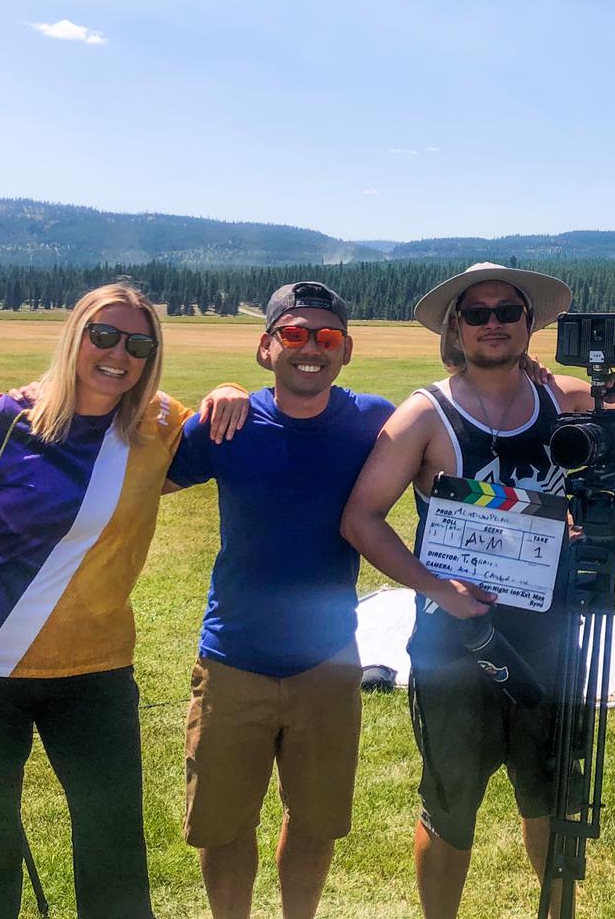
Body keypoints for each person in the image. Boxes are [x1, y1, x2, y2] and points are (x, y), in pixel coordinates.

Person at [0, 282, 237, 919]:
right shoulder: (4, 420)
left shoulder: (159, 423)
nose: (118, 355)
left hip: (96, 671)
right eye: (103, 336)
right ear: (75, 337)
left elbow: (223, 439)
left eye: (138, 344)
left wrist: (230, 393)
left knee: (113, 850)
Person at [340, 262, 615, 919]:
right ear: (456, 326)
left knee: (553, 803)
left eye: (509, 311)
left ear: (531, 324)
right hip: (456, 646)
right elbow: (361, 518)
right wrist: (436, 588)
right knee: (450, 810)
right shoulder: (426, 415)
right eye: (477, 313)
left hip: (551, 640)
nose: (494, 323)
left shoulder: (565, 401)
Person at [164, 281, 396, 919]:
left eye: (326, 338)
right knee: (223, 824)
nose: (310, 349)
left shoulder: (373, 421)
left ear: (346, 350)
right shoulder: (226, 424)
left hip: (327, 661)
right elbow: (136, 484)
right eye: (293, 334)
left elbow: (450, 438)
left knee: (317, 821)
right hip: (233, 658)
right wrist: (208, 397)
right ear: (266, 347)